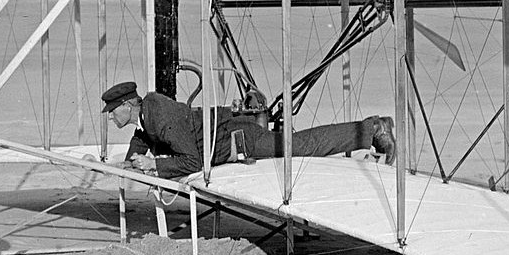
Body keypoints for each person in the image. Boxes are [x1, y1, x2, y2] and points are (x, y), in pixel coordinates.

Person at [100, 81, 396, 179]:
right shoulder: (148, 112)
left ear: (127, 105)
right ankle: (370, 129)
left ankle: (372, 129)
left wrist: (155, 165)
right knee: (300, 144)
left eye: (113, 111)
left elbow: (193, 162)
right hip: (232, 132)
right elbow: (142, 136)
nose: (111, 118)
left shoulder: (162, 118)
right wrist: (128, 164)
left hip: (240, 139)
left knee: (301, 145)